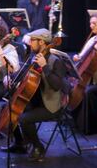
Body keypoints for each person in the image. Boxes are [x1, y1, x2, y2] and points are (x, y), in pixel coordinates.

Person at [12, 29, 70, 161]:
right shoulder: (35, 56)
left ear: (42, 42)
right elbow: (25, 75)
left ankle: (38, 147)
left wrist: (45, 67)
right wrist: (12, 78)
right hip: (37, 100)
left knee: (23, 119)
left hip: (51, 105)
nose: (30, 43)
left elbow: (56, 86)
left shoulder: (55, 61)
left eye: (33, 40)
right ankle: (23, 142)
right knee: (13, 110)